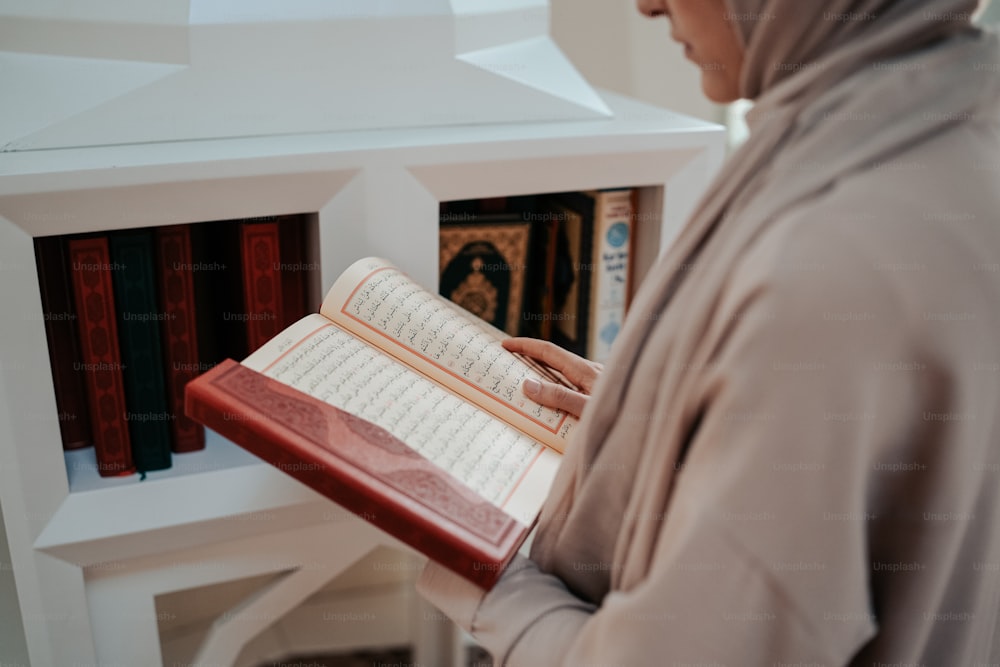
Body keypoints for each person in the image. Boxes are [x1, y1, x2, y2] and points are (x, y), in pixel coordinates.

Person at [418, 0, 1000, 665]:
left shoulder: (830, 264)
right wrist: (663, 420)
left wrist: (495, 575)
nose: (647, 4)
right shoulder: (956, 137)